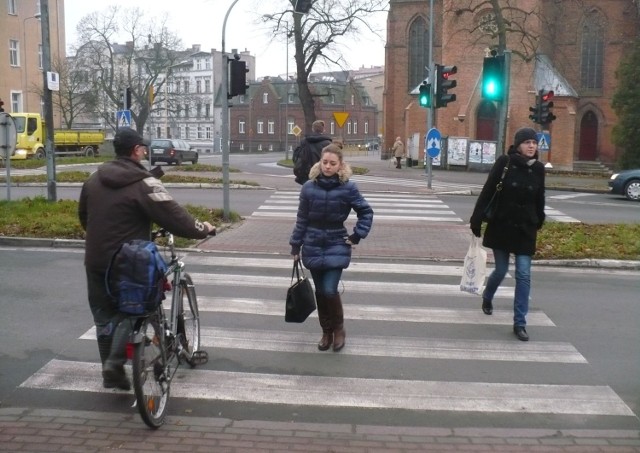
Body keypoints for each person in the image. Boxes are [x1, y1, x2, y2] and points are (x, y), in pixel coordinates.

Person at [78, 127, 215, 390]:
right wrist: (203, 229)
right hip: (129, 263)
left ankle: (110, 369)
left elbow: (84, 217)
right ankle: (116, 364)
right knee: (136, 309)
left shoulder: (94, 179)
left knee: (104, 317)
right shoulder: (144, 183)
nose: (144, 152)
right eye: (143, 148)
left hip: (95, 259)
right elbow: (177, 218)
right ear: (136, 150)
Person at [289, 144, 374, 352]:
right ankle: (326, 332)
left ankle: (339, 329)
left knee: (329, 289)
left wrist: (356, 236)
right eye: (324, 162)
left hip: (337, 241)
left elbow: (366, 212)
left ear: (340, 165)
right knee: (319, 291)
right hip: (313, 242)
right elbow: (301, 219)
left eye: (332, 163)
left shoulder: (348, 187)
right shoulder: (309, 187)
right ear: (320, 162)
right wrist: (295, 246)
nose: (327, 166)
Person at [469, 127, 546, 342]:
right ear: (518, 145)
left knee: (523, 275)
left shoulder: (539, 168)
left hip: (525, 229)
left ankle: (519, 323)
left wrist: (540, 218)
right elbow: (488, 190)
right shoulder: (505, 163)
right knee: (501, 270)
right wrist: (476, 219)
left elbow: (540, 197)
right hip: (502, 226)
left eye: (534, 142)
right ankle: (488, 296)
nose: (532, 146)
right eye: (527, 142)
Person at [293, 120, 332, 185]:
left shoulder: (305, 141)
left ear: (312, 129)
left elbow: (296, 156)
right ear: (323, 129)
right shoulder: (328, 143)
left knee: (308, 192)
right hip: (322, 174)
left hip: (306, 174)